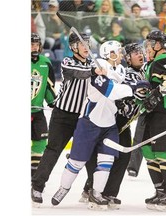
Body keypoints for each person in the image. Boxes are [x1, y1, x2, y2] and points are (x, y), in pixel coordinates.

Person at [50, 40, 151, 210]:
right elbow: (111, 91)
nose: (121, 55)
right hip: (89, 123)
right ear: (110, 54)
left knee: (107, 161)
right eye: (118, 51)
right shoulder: (99, 69)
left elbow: (120, 90)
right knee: (76, 162)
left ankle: (97, 194)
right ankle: (64, 188)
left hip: (109, 125)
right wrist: (134, 87)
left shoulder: (118, 70)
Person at [31, 32, 104, 204]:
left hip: (83, 117)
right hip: (62, 116)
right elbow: (79, 73)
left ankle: (91, 190)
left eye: (87, 43)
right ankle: (37, 186)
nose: (86, 47)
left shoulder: (93, 64)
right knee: (53, 151)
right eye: (82, 44)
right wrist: (95, 70)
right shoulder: (68, 62)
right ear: (73, 47)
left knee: (90, 154)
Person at [79, 42, 150, 209]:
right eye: (135, 53)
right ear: (127, 58)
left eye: (141, 52)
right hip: (114, 120)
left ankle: (106, 192)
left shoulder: (144, 72)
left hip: (124, 122)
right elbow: (115, 90)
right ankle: (93, 190)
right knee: (106, 156)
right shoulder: (126, 72)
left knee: (121, 157)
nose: (140, 55)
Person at [140, 30, 166, 212]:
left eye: (151, 43)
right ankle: (161, 191)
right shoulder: (152, 63)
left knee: (163, 153)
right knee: (148, 151)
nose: (148, 47)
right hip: (155, 113)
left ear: (159, 45)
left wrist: (156, 95)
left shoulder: (163, 59)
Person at [31, 33, 56, 177]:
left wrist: (53, 102)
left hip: (37, 111)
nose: (34, 47)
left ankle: (34, 172)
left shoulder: (45, 62)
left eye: (36, 45)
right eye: (31, 45)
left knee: (40, 141)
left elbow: (48, 86)